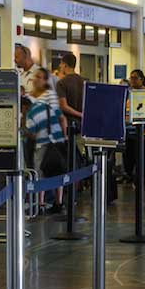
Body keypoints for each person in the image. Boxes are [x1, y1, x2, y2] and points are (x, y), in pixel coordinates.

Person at [24, 67, 67, 211]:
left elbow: (60, 117)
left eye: (39, 77)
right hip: (48, 139)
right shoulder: (32, 95)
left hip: (49, 140)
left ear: (45, 80)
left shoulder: (48, 95)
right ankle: (45, 202)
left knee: (45, 170)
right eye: (35, 76)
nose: (36, 79)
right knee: (48, 170)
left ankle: (49, 202)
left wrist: (64, 135)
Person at [123, 69, 145, 184]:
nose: (132, 80)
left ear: (141, 79)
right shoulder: (128, 92)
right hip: (129, 129)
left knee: (141, 154)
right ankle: (128, 174)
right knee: (128, 154)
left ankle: (142, 176)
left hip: (143, 130)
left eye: (135, 78)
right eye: (131, 78)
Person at [55, 51, 85, 124]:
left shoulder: (61, 83)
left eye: (61, 64)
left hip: (68, 123)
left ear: (65, 65)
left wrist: (80, 115)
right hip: (82, 123)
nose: (59, 66)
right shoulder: (83, 81)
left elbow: (63, 106)